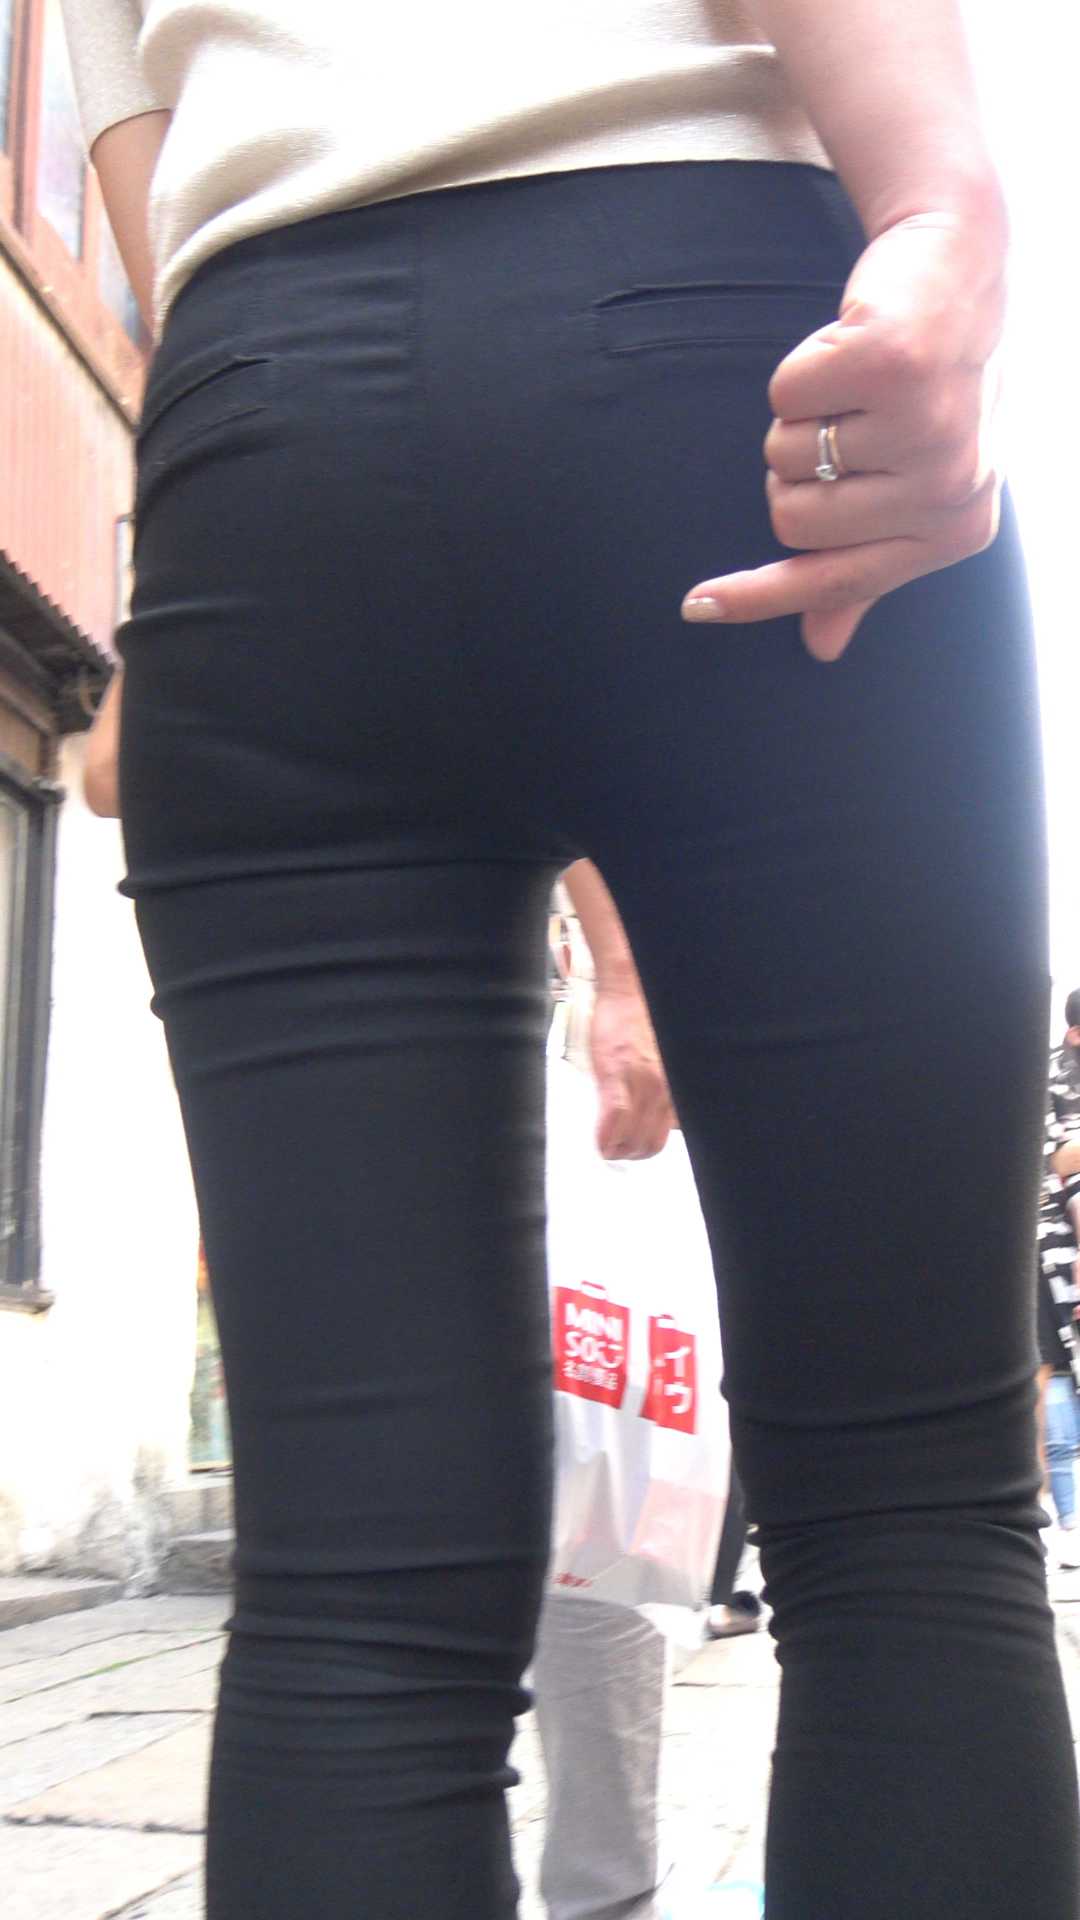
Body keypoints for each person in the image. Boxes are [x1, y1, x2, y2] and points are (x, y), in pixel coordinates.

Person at [60, 3, 1077, 1915]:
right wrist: (944, 209)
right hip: (719, 347)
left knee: (350, 1599)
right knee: (907, 1525)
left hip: (261, 430)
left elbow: (150, 206)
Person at [1037, 993, 1080, 1566]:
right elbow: (1056, 1160)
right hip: (1052, 1247)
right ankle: (1068, 1520)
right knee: (1053, 1371)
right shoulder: (1049, 1074)